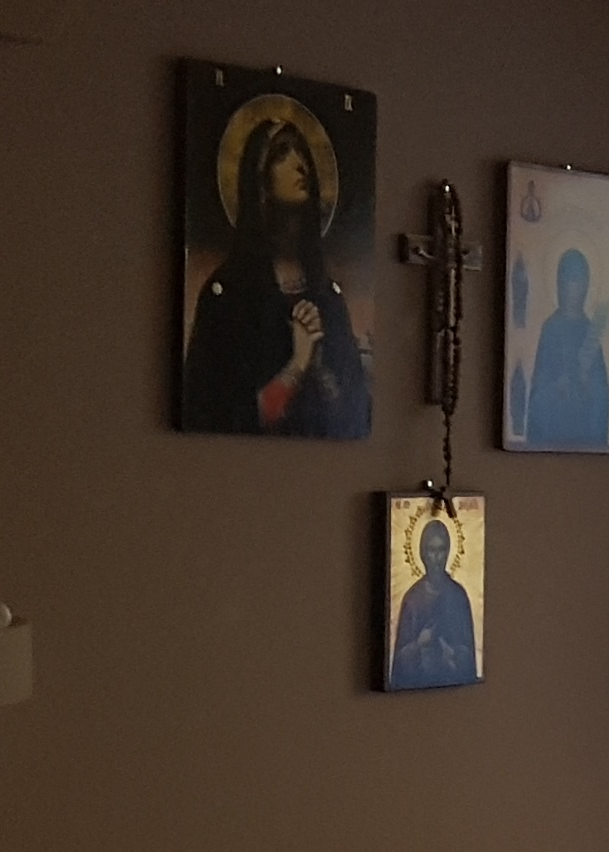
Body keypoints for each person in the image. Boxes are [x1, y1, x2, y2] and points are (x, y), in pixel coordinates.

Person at [182, 111, 372, 436]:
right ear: (259, 178)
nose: (302, 165)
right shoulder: (227, 294)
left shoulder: (327, 297)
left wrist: (319, 368)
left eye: (303, 154)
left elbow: (352, 414)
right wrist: (297, 365)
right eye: (283, 154)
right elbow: (213, 415)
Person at [523, 246, 609, 447]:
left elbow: (601, 395)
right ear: (559, 283)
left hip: (585, 430)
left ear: (586, 285)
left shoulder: (590, 330)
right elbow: (539, 392)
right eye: (569, 279)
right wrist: (557, 387)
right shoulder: (551, 329)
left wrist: (586, 384)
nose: (573, 288)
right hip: (555, 426)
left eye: (579, 280)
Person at [387, 510, 478, 689]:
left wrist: (453, 654)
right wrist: (419, 644)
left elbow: (468, 658)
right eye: (431, 550)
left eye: (441, 550)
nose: (437, 558)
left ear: (448, 552)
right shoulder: (413, 599)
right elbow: (399, 665)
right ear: (423, 553)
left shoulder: (458, 596)